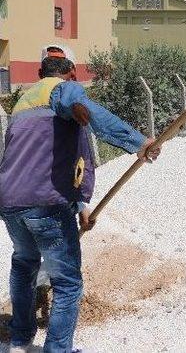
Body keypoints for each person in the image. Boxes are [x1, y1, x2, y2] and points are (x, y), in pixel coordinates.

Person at [0, 45, 160, 353]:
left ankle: (20, 334)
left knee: (24, 264)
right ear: (71, 74)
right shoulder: (64, 92)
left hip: (9, 202)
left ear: (39, 73)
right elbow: (84, 149)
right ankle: (58, 349)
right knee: (68, 283)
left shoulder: (22, 103)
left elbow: (40, 159)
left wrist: (80, 206)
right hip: (46, 205)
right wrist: (139, 142)